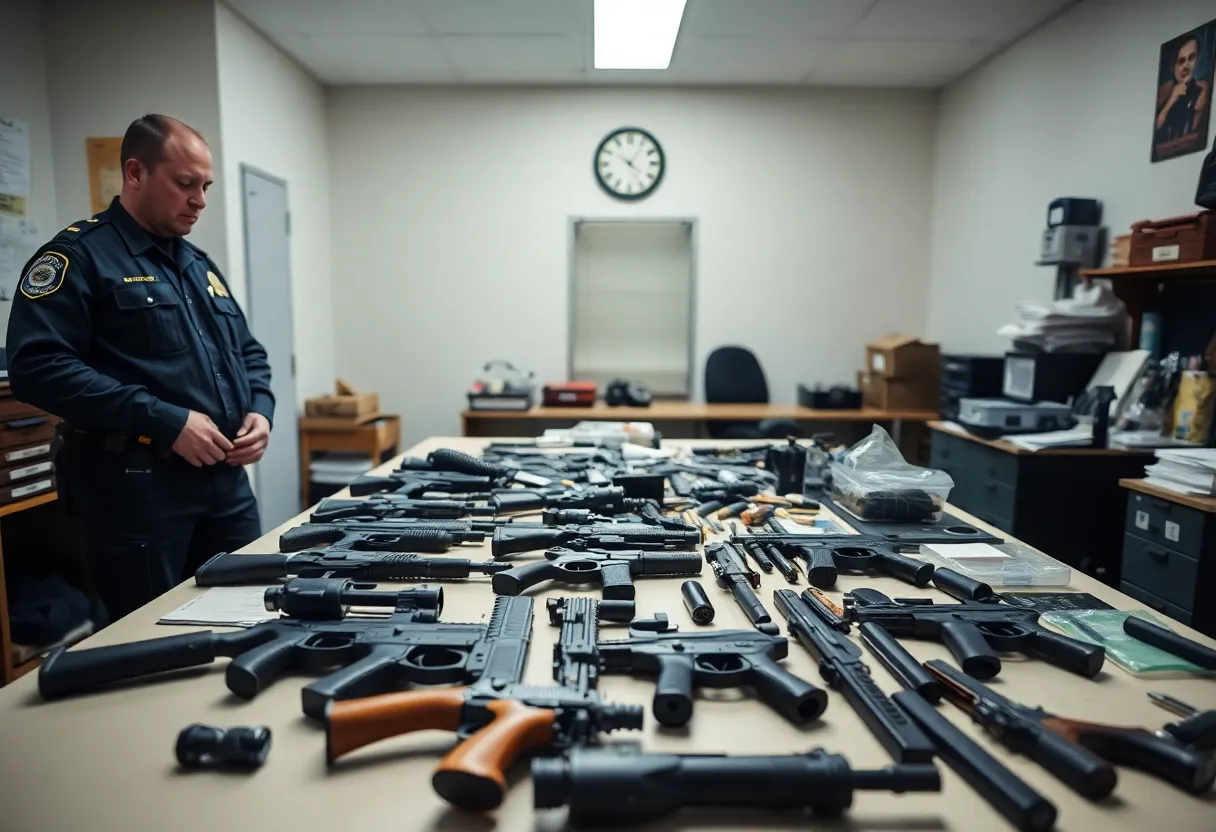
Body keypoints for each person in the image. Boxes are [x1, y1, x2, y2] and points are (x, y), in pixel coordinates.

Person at [6, 114, 274, 622]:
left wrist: (260, 412)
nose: (199, 200)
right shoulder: (80, 257)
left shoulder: (197, 264)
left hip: (226, 486)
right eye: (185, 184)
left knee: (248, 616)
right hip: (138, 491)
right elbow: (37, 367)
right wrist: (165, 420)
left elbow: (250, 354)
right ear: (135, 173)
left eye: (206, 186)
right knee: (153, 641)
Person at [1156, 34, 1210, 143]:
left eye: (1191, 58)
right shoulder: (1165, 94)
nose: (1186, 66)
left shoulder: (1201, 93)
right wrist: (1171, 101)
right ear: (1173, 67)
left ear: (1197, 61)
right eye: (1181, 61)